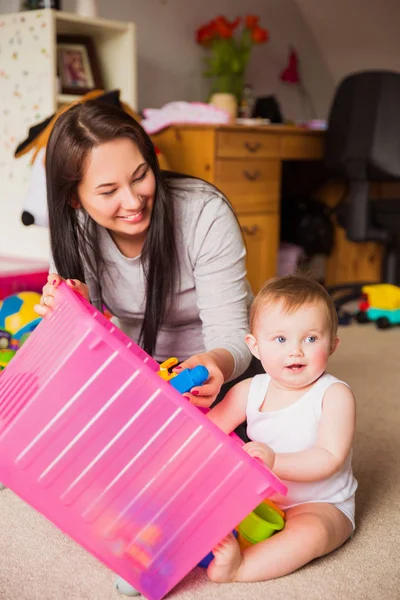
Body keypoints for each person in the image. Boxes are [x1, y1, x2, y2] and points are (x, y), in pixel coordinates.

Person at [34, 100, 260, 416]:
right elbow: (88, 355)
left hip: (221, 367)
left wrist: (214, 365)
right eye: (108, 191)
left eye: (140, 175)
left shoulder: (203, 213)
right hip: (139, 365)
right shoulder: (77, 229)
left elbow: (231, 337)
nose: (132, 201)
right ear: (74, 198)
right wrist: (78, 314)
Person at [206, 275, 358, 583]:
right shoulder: (249, 390)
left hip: (319, 503)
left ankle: (241, 568)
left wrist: (275, 461)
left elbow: (329, 458)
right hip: (257, 496)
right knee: (202, 497)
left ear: (332, 345)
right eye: (280, 339)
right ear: (255, 346)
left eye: (311, 339)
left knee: (313, 535)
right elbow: (207, 432)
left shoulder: (334, 395)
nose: (296, 351)